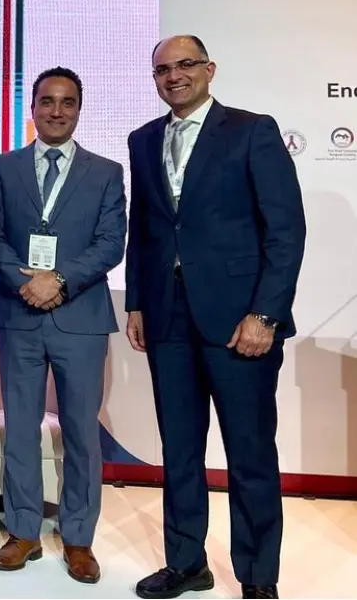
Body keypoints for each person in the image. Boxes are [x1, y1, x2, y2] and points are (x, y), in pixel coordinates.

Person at [126, 36, 305, 600]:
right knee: (179, 450)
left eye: (185, 65)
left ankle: (257, 576)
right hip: (166, 317)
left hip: (239, 321)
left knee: (249, 453)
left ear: (209, 69)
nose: (173, 76)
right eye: (162, 69)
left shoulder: (252, 130)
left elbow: (285, 231)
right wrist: (136, 302)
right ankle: (186, 563)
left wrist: (265, 314)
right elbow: (145, 229)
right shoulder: (143, 139)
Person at [0, 67, 126, 584]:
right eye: (47, 101)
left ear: (79, 109)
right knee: (21, 428)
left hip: (80, 318)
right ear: (33, 108)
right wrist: (22, 281)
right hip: (19, 313)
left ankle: (78, 537)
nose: (57, 111)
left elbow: (111, 243)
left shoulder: (106, 172)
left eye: (67, 102)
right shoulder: (2, 168)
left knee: (81, 432)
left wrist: (59, 281)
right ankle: (22, 530)